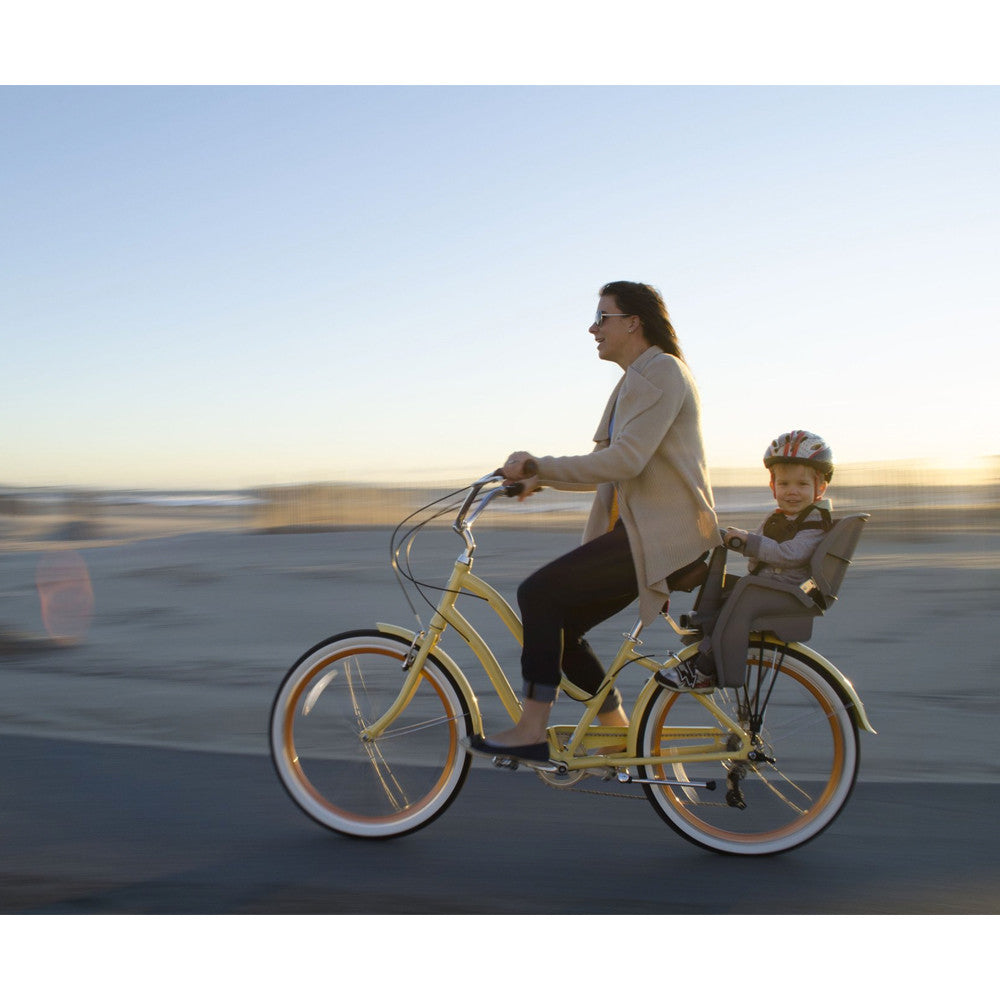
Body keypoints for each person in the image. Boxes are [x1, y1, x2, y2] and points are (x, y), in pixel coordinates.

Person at [467, 281, 718, 764]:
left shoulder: (662, 372)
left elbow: (625, 461)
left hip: (662, 536)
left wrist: (540, 464)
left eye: (602, 317)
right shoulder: (633, 382)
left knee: (538, 594)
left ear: (633, 322)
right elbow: (606, 468)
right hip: (639, 534)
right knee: (555, 629)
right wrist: (537, 481)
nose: (592, 328)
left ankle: (531, 730)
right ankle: (619, 733)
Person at [655, 429, 835, 691]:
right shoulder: (780, 518)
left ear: (821, 488)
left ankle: (704, 670)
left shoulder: (813, 523)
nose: (792, 492)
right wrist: (734, 538)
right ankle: (703, 640)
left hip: (788, 593)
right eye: (784, 484)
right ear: (773, 486)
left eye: (802, 484)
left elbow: (790, 554)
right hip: (769, 586)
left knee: (740, 601)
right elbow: (763, 545)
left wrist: (747, 542)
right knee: (722, 588)